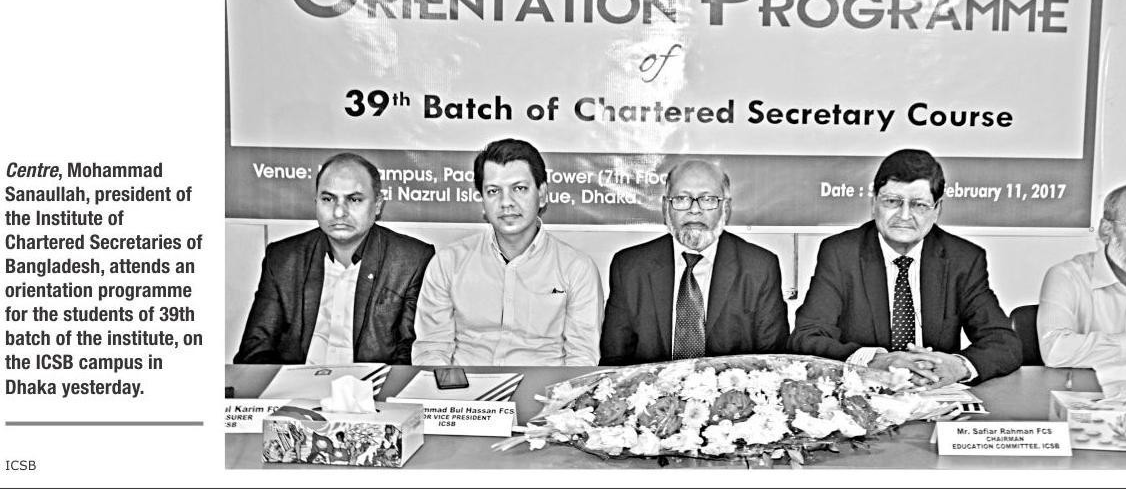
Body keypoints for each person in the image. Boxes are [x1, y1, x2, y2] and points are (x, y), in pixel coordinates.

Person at [788, 149, 1021, 386]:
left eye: (919, 205)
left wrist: (959, 366)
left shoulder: (962, 259)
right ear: (874, 202)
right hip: (864, 393)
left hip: (933, 393)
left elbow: (1003, 342)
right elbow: (807, 337)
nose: (904, 215)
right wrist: (873, 360)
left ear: (937, 209)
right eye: (892, 201)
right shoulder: (841, 253)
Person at [411, 139, 604, 366]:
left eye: (519, 189)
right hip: (466, 384)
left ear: (542, 194)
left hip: (545, 386)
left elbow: (582, 358)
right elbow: (432, 350)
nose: (506, 203)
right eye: (493, 191)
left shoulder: (577, 268)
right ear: (482, 200)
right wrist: (453, 387)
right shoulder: (448, 263)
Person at [234, 153, 435, 365]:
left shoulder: (411, 260)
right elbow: (255, 350)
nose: (339, 212)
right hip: (297, 382)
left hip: (372, 383)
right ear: (316, 202)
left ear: (377, 205)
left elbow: (411, 354)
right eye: (328, 199)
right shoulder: (283, 258)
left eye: (354, 199)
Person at [600, 159, 789, 365]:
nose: (695, 210)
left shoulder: (759, 268)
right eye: (682, 198)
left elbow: (774, 361)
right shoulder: (629, 267)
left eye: (707, 199)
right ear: (665, 207)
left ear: (725, 208)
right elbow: (614, 362)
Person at [1037, 184, 1126, 370]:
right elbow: (1055, 351)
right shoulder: (1067, 276)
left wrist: (1098, 354)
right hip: (1087, 387)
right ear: (1106, 230)